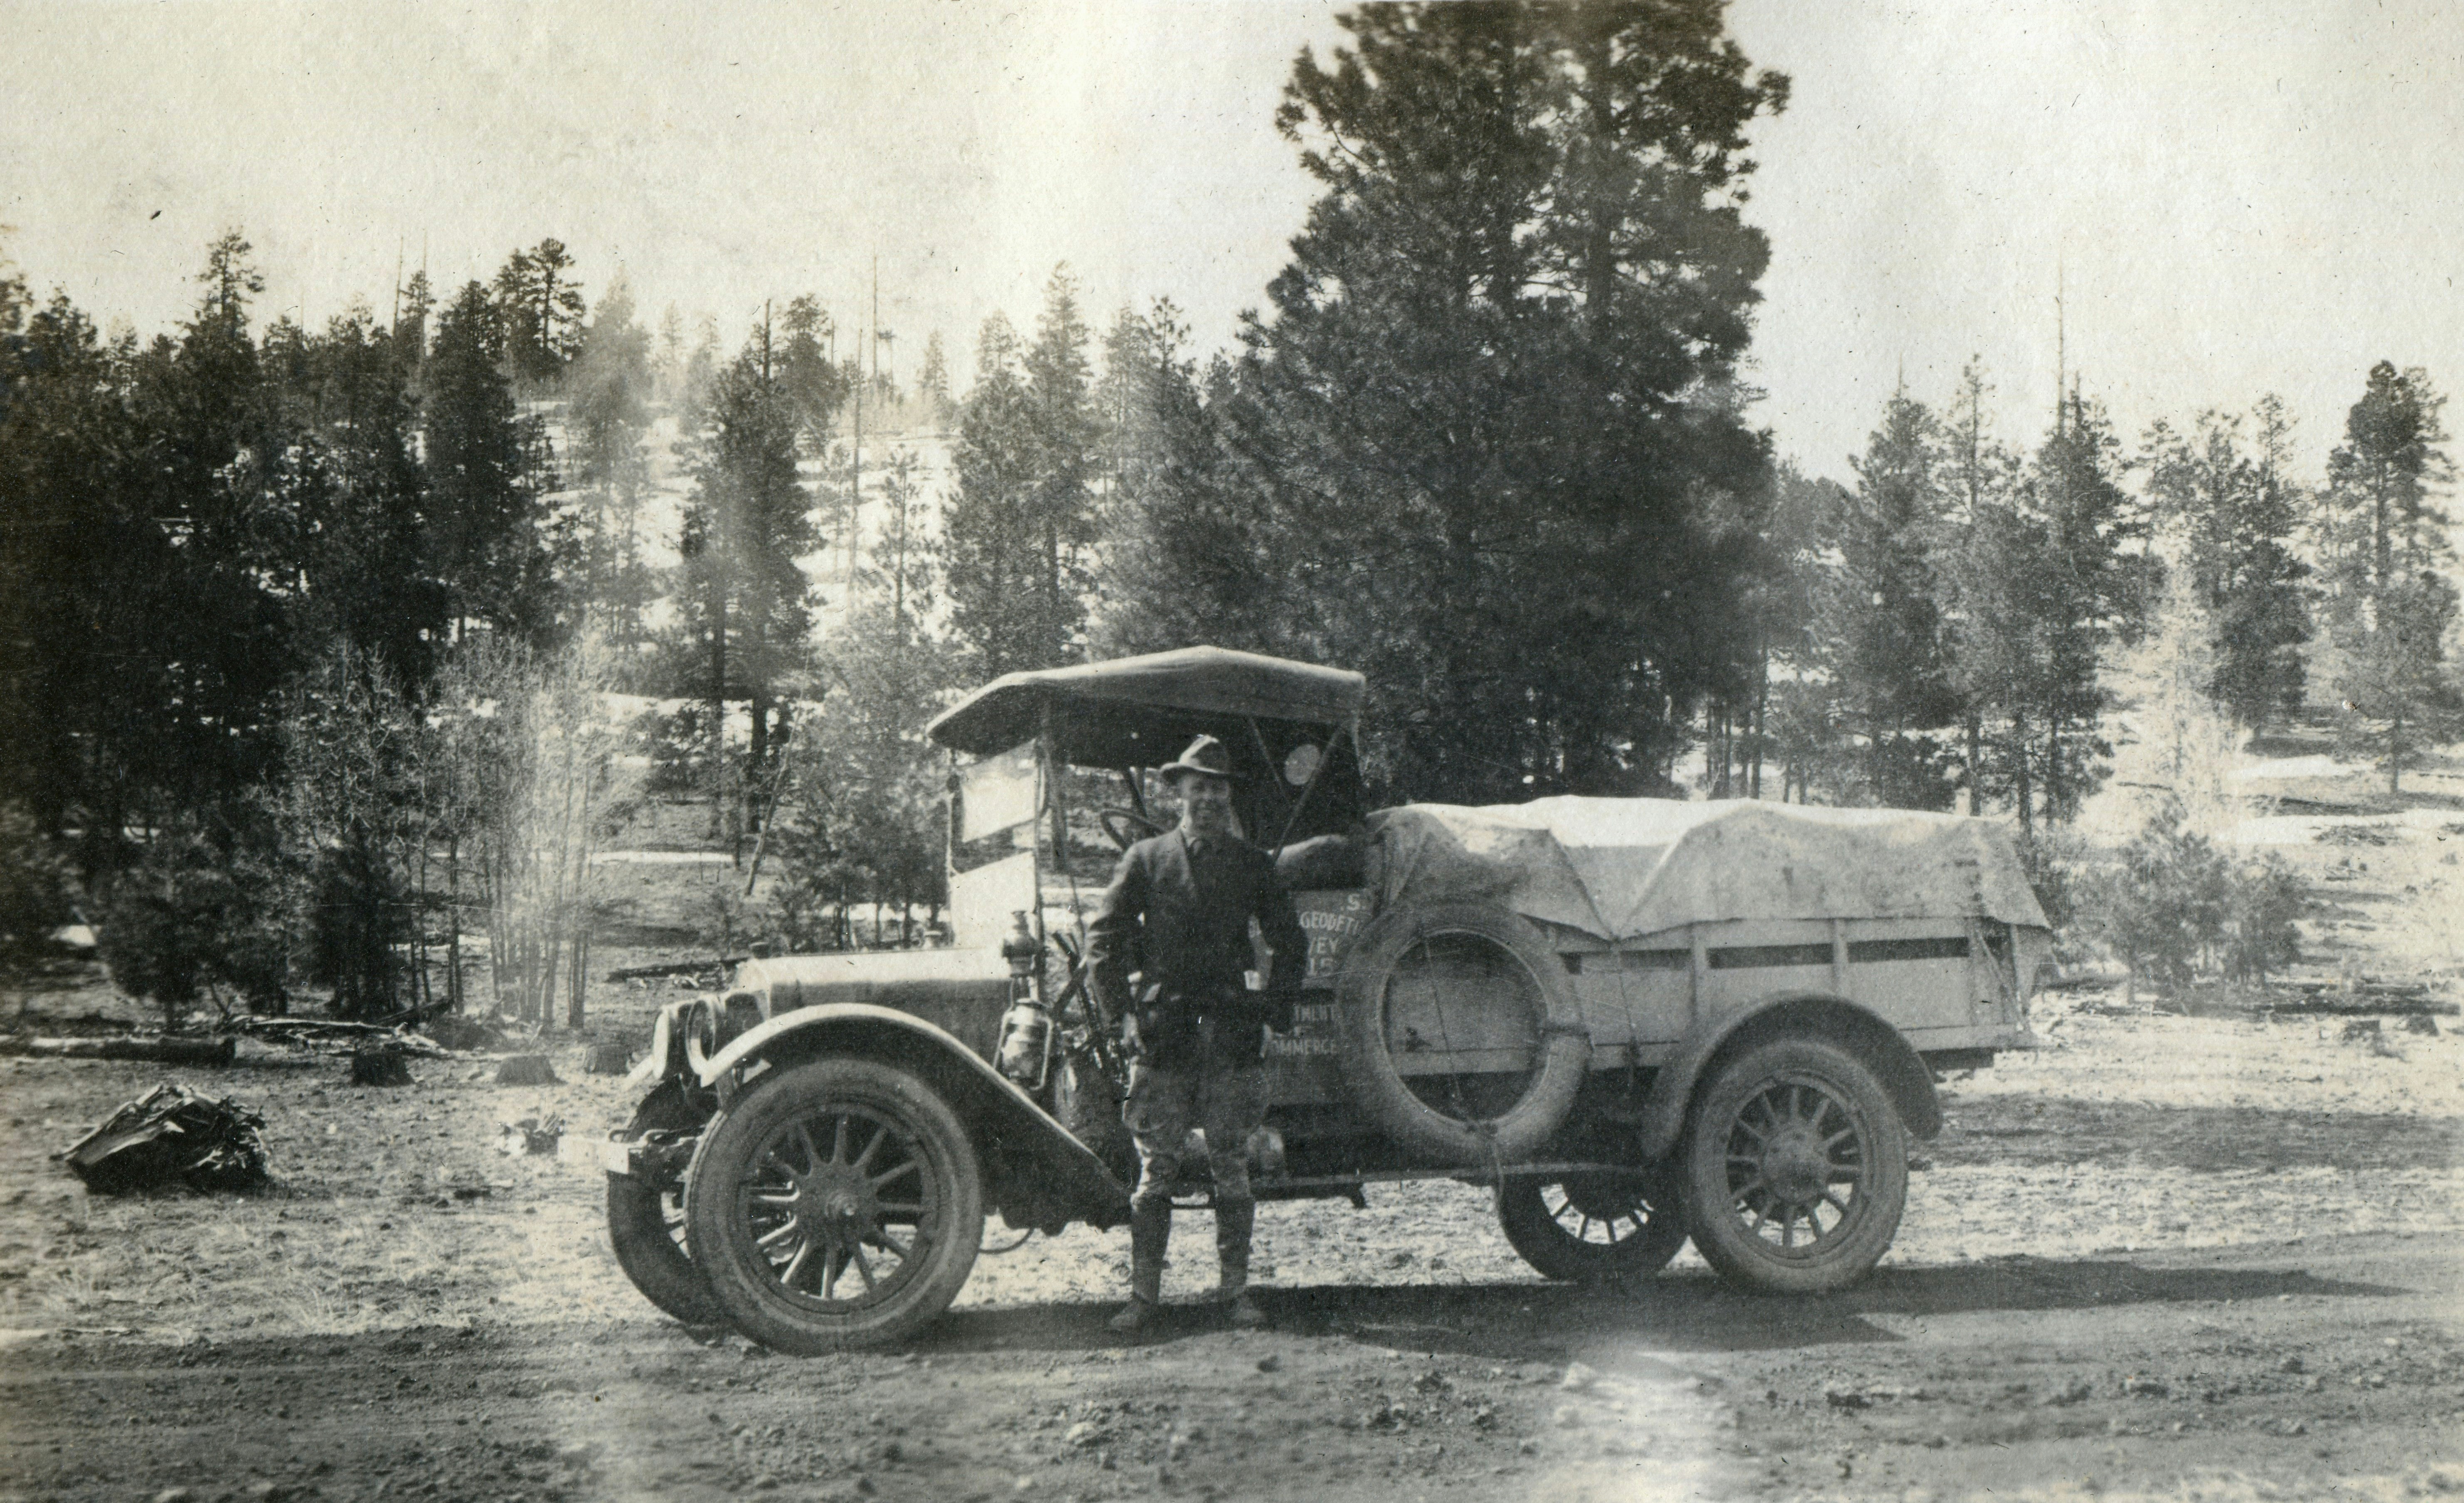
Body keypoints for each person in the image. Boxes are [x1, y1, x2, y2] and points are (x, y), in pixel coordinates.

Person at [1086, 733, 1307, 1334]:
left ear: (1228, 795)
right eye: (1198, 786)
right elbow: (1102, 939)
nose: (1208, 797)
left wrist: (1271, 1013)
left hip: (1232, 1034)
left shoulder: (1252, 864)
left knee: (1231, 1164)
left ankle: (1234, 1292)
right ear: (1177, 792)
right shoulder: (1147, 858)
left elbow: (1292, 942)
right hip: (1164, 1035)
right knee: (1156, 1168)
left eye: (1218, 787)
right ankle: (1144, 1295)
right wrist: (1124, 1015)